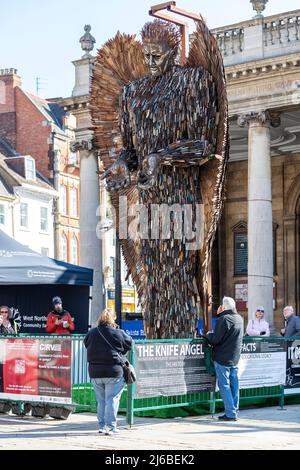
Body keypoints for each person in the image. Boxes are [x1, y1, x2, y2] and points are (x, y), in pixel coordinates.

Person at [84, 309, 133, 435]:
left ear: (100, 319)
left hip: (95, 372)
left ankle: (101, 427)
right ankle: (111, 427)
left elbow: (86, 343)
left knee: (101, 401)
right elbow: (130, 343)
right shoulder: (118, 333)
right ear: (113, 319)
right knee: (112, 399)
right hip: (114, 371)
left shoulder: (92, 333)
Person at [205, 296, 244, 421]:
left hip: (222, 358)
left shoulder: (224, 319)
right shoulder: (239, 318)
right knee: (234, 384)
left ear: (224, 307)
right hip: (235, 357)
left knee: (224, 385)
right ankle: (234, 410)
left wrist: (208, 335)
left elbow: (216, 339)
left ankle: (231, 413)